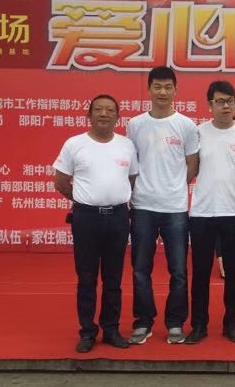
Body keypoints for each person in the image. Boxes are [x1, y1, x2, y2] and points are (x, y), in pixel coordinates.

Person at [53, 94, 138, 353]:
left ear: (118, 117)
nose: (104, 114)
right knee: (87, 277)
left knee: (113, 279)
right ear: (88, 115)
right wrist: (83, 200)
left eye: (110, 110)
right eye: (98, 109)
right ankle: (88, 331)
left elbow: (131, 179)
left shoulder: (126, 145)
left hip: (118, 217)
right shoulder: (74, 144)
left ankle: (111, 329)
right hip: (86, 218)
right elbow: (61, 182)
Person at [127, 66, 199, 345]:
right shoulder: (135, 125)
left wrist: (175, 187)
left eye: (168, 87)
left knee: (178, 270)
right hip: (143, 206)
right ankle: (143, 322)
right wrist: (141, 190)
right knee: (140, 269)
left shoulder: (186, 125)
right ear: (148, 90)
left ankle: (175, 322)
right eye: (157, 87)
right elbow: (132, 164)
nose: (162, 92)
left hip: (175, 208)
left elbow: (192, 165)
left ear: (175, 91)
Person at [186, 80, 235, 344]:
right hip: (202, 213)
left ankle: (231, 324)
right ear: (210, 105)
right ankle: (199, 325)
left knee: (234, 273)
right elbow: (191, 169)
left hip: (233, 213)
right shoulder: (198, 133)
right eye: (220, 101)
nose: (225, 106)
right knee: (201, 272)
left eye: (230, 101)